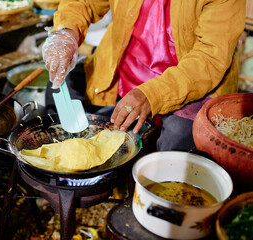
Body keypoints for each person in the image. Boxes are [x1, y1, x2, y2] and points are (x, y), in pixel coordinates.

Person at [42, 0, 245, 151]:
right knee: (59, 87)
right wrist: (66, 33)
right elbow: (84, 3)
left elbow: (209, 59)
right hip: (123, 66)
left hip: (188, 82)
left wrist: (151, 95)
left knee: (175, 151)